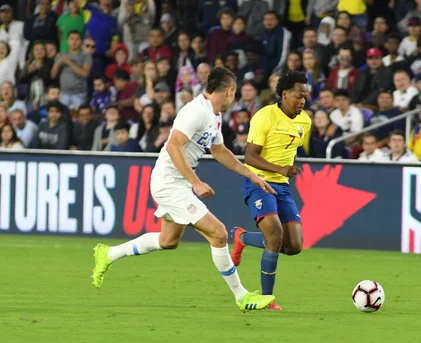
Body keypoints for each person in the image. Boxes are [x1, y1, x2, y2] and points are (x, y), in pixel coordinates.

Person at [92, 67, 276, 312]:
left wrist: (250, 174)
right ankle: (242, 296)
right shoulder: (196, 111)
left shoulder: (214, 115)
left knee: (168, 241)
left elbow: (220, 151)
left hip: (177, 183)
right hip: (170, 183)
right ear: (230, 91)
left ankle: (108, 254)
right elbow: (174, 147)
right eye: (234, 94)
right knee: (219, 233)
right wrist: (196, 182)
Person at [229, 71, 312, 310]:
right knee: (274, 236)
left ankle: (241, 237)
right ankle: (267, 298)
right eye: (298, 96)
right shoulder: (264, 116)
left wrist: (284, 172)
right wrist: (280, 168)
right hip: (258, 181)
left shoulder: (304, 121)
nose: (302, 101)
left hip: (281, 186)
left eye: (305, 97)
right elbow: (250, 156)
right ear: (284, 94)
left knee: (294, 246)